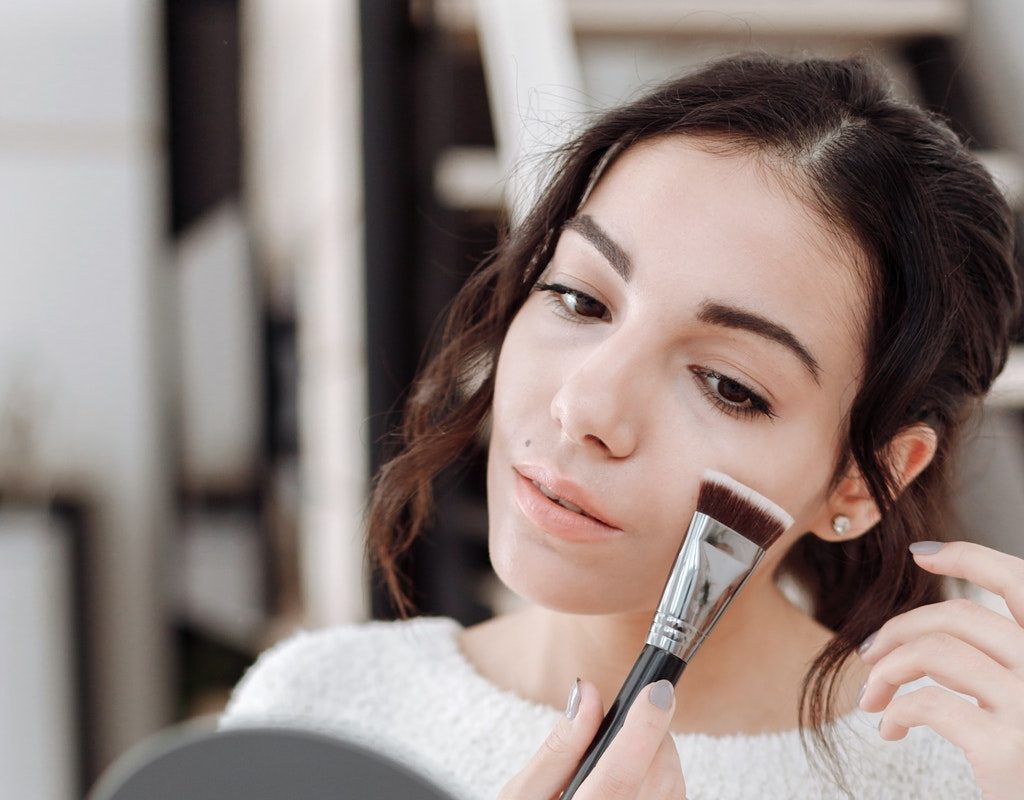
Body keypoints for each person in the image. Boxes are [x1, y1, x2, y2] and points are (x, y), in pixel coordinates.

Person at [220, 54, 1023, 799]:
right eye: (580, 298)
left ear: (862, 476)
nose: (586, 407)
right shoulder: (316, 714)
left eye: (726, 385)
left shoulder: (956, 770)